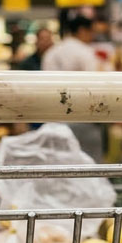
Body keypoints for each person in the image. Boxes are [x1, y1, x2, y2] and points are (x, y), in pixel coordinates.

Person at [42, 15, 105, 159]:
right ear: (82, 30)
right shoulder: (85, 52)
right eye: (92, 32)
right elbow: (96, 85)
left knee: (59, 165)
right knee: (88, 166)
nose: (93, 36)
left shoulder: (52, 52)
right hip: (82, 117)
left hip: (53, 118)